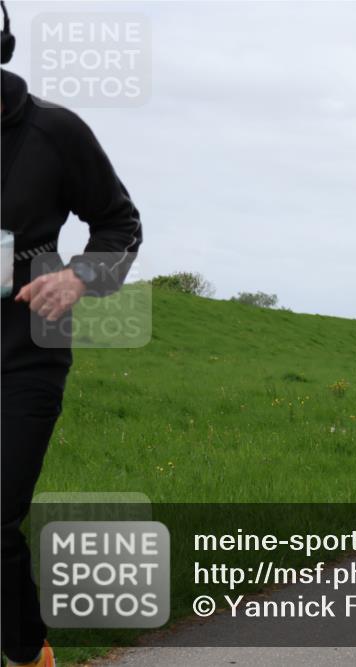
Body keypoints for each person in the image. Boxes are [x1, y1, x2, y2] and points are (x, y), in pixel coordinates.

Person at [2, 5, 143, 664]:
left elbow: (120, 222)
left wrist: (81, 277)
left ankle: (29, 655)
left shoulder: (52, 131)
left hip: (24, 355)